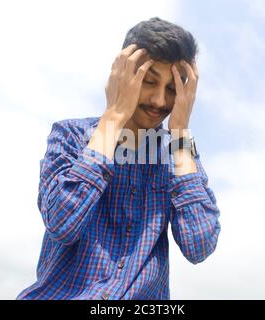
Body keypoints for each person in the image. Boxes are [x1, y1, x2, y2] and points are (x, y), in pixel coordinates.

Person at [17, 17, 221, 300]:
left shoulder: (180, 153)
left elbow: (199, 245)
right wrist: (113, 119)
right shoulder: (71, 135)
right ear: (122, 75)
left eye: (173, 89)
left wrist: (181, 134)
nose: (160, 101)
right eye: (149, 82)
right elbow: (62, 224)